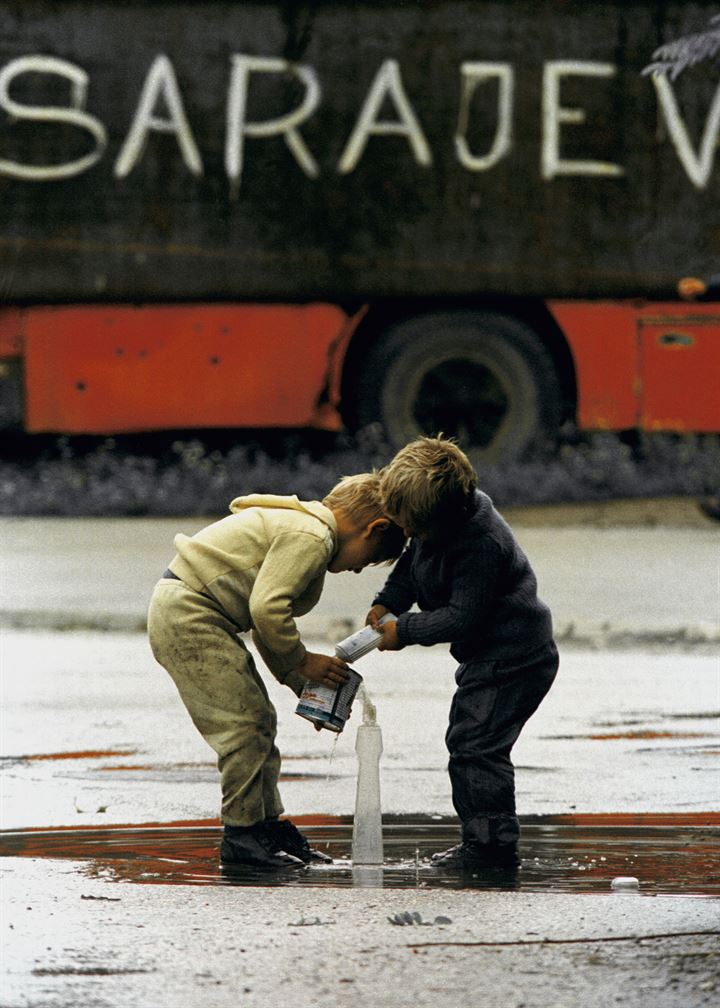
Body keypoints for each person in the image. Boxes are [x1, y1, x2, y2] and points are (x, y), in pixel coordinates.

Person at [148, 474, 405, 870]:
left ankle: (266, 827)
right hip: (189, 615)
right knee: (244, 726)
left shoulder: (304, 528)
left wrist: (301, 682)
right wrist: (302, 660)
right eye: (368, 560)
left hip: (188, 609)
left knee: (259, 721)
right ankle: (243, 837)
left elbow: (264, 620)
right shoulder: (313, 537)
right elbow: (267, 611)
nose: (357, 570)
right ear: (375, 529)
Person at [366, 437, 558, 870]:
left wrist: (403, 630)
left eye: (415, 529)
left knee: (476, 746)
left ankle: (491, 848)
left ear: (446, 517)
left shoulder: (479, 543)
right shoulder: (435, 523)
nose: (409, 536)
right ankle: (485, 841)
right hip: (489, 657)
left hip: (516, 657)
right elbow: (412, 563)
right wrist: (388, 601)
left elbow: (461, 618)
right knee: (468, 739)